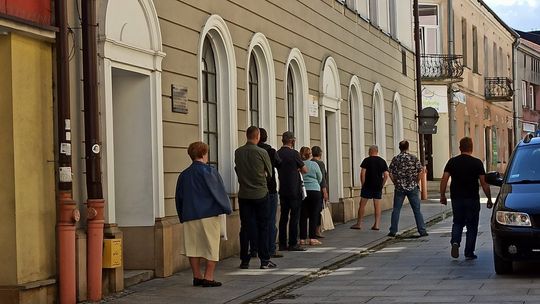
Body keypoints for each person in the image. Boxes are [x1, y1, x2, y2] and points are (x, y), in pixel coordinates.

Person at [175, 141, 232, 287]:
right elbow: (218, 191)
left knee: (193, 247)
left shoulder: (184, 175)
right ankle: (208, 276)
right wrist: (226, 207)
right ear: (203, 154)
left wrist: (182, 215)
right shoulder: (209, 171)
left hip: (189, 215)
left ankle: (197, 276)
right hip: (208, 214)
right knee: (211, 246)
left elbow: (179, 197)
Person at [440, 137, 493, 260]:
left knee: (457, 222)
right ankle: (469, 252)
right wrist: (489, 198)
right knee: (472, 226)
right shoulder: (477, 163)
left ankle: (455, 242)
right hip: (472, 198)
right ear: (471, 148)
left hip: (456, 198)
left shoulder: (452, 162)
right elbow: (484, 182)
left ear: (460, 148)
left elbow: (444, 178)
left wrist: (442, 195)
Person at [235, 126, 277, 269]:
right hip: (260, 193)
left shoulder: (238, 152)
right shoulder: (262, 152)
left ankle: (244, 260)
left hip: (244, 194)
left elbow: (237, 169)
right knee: (263, 226)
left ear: (247, 136)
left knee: (245, 227)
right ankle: (264, 260)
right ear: (258, 136)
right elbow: (270, 173)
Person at [388, 140, 428, 237]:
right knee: (417, 210)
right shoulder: (413, 158)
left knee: (396, 209)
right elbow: (421, 171)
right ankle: (422, 230)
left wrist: (395, 183)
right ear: (408, 147)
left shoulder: (396, 159)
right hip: (412, 187)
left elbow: (390, 173)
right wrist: (416, 181)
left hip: (399, 188)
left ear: (399, 147)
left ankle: (393, 231)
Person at [277, 131, 308, 251]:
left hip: (283, 189)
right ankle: (293, 243)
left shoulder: (278, 153)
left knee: (283, 217)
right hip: (294, 189)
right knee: (294, 217)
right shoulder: (294, 154)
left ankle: (282, 243)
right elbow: (304, 169)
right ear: (292, 141)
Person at [257, 128, 283, 258]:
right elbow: (279, 164)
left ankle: (255, 248)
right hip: (270, 188)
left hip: (254, 189)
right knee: (270, 220)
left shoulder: (248, 151)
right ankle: (270, 248)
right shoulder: (271, 151)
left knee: (255, 220)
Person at [351, 145, 388, 230]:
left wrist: (363, 184)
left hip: (367, 185)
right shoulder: (382, 161)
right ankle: (377, 225)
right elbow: (386, 175)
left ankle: (359, 224)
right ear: (377, 151)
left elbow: (362, 173)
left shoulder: (366, 160)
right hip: (377, 186)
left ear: (370, 151)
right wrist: (382, 185)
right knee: (377, 206)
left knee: (362, 205)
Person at [299, 147, 323, 246]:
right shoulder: (314, 164)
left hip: (303, 191)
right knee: (314, 214)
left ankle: (302, 239)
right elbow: (320, 177)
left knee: (303, 215)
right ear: (310, 155)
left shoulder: (299, 164)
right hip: (315, 190)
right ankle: (312, 238)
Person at [311, 146, 328, 238]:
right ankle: (317, 230)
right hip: (318, 190)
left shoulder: (309, 162)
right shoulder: (320, 163)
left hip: (308, 190)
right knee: (318, 211)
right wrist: (325, 191)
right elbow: (322, 179)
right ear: (320, 153)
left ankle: (311, 231)